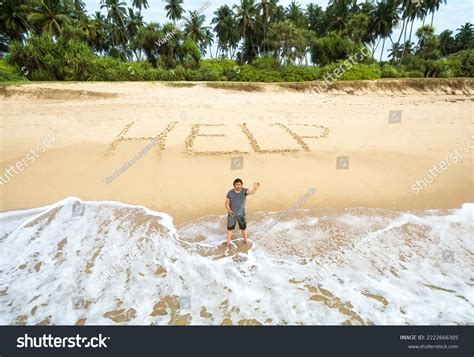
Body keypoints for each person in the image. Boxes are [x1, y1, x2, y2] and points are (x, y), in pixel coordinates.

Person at [225, 178, 260, 250]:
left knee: (243, 229)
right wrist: (229, 210)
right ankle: (228, 244)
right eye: (236, 185)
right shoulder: (230, 193)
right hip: (232, 215)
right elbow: (226, 204)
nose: (238, 186)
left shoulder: (244, 191)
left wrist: (255, 188)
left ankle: (245, 240)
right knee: (230, 229)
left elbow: (251, 192)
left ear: (241, 185)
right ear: (234, 185)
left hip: (241, 214)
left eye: (239, 184)